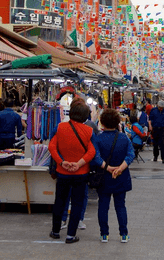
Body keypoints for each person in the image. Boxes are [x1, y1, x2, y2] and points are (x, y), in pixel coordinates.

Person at [48, 101, 95, 244]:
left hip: (62, 172)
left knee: (59, 202)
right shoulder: (89, 131)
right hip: (81, 173)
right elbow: (92, 151)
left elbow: (52, 147)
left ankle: (56, 231)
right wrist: (79, 163)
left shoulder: (60, 127)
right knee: (77, 203)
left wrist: (62, 162)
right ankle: (70, 235)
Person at [91, 109, 134, 243]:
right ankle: (124, 234)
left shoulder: (98, 139)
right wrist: (120, 168)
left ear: (102, 123)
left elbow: (95, 157)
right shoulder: (123, 138)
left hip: (104, 176)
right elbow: (130, 155)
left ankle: (104, 234)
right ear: (117, 122)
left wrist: (108, 168)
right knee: (120, 205)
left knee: (103, 205)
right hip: (121, 176)